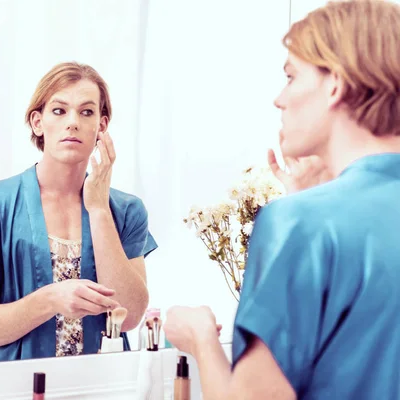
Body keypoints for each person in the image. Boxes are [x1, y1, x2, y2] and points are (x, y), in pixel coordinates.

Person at [164, 1, 400, 399]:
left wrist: (201, 338)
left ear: (336, 84)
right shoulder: (316, 218)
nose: (279, 98)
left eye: (291, 77)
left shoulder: (299, 224)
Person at [0, 62, 157, 363]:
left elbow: (127, 317)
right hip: (16, 389)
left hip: (100, 386)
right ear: (38, 123)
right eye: (59, 111)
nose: (72, 122)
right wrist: (51, 299)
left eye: (86, 112)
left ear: (101, 126)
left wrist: (99, 209)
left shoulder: (125, 211)